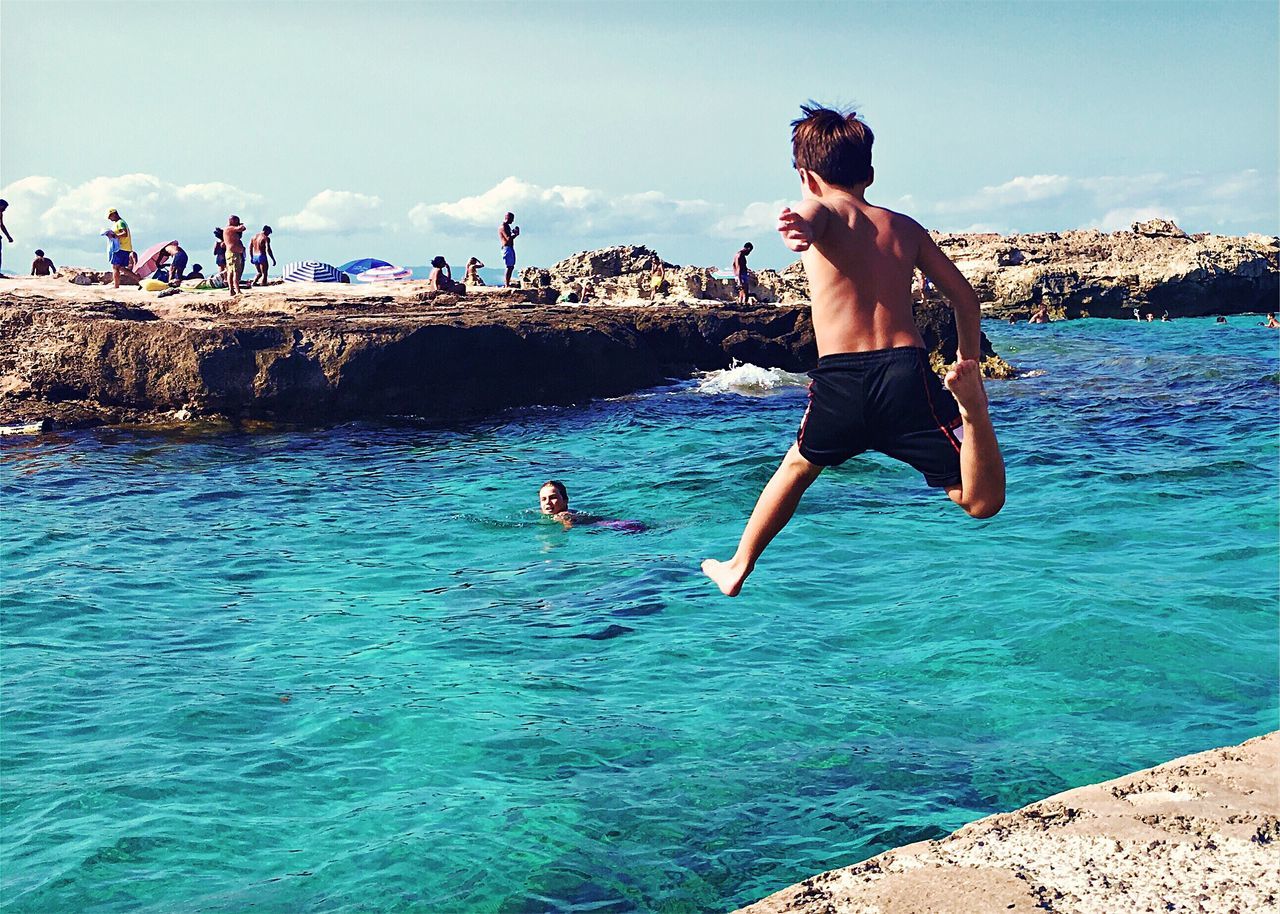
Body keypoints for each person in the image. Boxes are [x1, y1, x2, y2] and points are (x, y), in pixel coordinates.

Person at [701, 103, 1005, 597]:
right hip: (904, 376)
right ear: (870, 173)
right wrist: (966, 364)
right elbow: (965, 299)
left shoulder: (817, 209)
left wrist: (798, 226)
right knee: (979, 501)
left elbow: (811, 216)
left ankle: (738, 564)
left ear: (806, 175)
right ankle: (975, 414)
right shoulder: (903, 227)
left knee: (798, 467)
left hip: (840, 380)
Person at [538, 480, 645, 532]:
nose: (547, 502)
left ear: (565, 500)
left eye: (552, 498)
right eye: (543, 499)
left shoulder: (563, 515)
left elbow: (568, 526)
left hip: (617, 526)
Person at [104, 208, 133, 289]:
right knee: (121, 267)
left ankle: (116, 286)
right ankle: (137, 278)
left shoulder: (120, 222)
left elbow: (124, 233)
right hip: (124, 247)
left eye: (110, 216)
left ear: (114, 214)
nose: (109, 218)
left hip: (121, 247)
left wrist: (114, 235)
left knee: (115, 267)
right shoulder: (119, 223)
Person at [223, 215, 249, 296]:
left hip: (233, 253)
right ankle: (237, 290)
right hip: (233, 253)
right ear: (233, 221)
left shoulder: (230, 229)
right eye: (237, 221)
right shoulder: (229, 228)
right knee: (236, 272)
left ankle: (232, 290)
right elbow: (242, 228)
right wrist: (240, 225)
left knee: (231, 272)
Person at [499, 212, 520, 286]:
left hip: (509, 248)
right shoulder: (503, 226)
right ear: (508, 218)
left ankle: (507, 283)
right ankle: (507, 284)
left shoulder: (506, 226)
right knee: (509, 266)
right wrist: (515, 234)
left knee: (511, 266)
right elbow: (508, 239)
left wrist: (514, 233)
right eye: (512, 219)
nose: (513, 221)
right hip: (507, 248)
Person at [0, 199, 12, 278]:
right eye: (4, 207)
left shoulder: (0, 214)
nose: (5, 209)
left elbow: (2, 225)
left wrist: (8, 236)